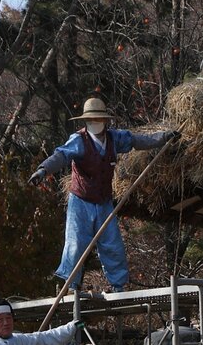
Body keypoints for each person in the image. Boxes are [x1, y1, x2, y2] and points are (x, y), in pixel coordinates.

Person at [29, 96, 175, 293]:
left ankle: (118, 285)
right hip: (80, 200)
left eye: (98, 120)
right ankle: (71, 286)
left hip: (104, 201)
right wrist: (43, 170)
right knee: (76, 243)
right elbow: (61, 156)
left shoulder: (115, 139)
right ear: (86, 122)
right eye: (91, 120)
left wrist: (164, 137)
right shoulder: (79, 141)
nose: (95, 123)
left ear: (105, 121)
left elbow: (137, 140)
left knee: (112, 243)